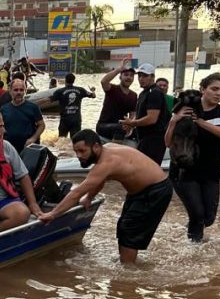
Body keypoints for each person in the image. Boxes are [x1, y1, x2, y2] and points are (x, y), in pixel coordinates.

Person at [38, 129, 172, 264]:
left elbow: (76, 193)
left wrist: (53, 214)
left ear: (96, 146)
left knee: (129, 230)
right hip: (140, 192)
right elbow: (99, 181)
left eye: (82, 151)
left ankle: (128, 271)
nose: (78, 155)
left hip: (155, 191)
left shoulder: (106, 163)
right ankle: (127, 262)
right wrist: (90, 197)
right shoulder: (106, 151)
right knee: (124, 228)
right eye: (76, 151)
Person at [165, 72, 220, 242]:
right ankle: (194, 252)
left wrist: (200, 122)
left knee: (209, 218)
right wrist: (173, 121)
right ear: (203, 89)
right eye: (214, 89)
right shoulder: (184, 109)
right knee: (197, 216)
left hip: (210, 172)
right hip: (183, 172)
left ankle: (189, 232)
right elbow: (168, 143)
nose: (218, 93)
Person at [0, 110, 44, 231]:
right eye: (0, 127)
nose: (4, 131)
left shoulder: (7, 147)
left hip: (4, 201)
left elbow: (23, 176)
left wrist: (33, 204)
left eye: (3, 126)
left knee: (23, 213)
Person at [120, 63, 170, 165]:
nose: (141, 79)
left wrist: (133, 123)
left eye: (145, 76)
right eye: (139, 76)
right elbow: (141, 115)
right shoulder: (144, 93)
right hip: (144, 138)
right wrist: (131, 124)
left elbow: (152, 118)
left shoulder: (154, 93)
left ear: (152, 77)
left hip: (154, 139)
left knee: (148, 170)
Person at [0, 78, 44, 152]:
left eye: (21, 90)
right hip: (10, 148)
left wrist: (33, 138)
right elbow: (0, 127)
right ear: (10, 91)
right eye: (16, 90)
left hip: (28, 148)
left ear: (25, 91)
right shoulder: (4, 109)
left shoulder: (33, 107)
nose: (19, 92)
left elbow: (41, 125)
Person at [97, 62, 138, 140]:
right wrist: (118, 70)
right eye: (126, 75)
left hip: (121, 125)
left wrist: (130, 125)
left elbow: (133, 114)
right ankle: (115, 150)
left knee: (139, 131)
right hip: (104, 125)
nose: (129, 77)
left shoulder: (134, 95)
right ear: (120, 77)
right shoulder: (112, 89)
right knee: (120, 128)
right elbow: (103, 82)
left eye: (131, 75)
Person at [53, 73, 96, 138]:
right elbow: (93, 96)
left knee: (61, 140)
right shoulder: (81, 90)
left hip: (65, 120)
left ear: (65, 80)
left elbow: (48, 100)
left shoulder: (60, 91)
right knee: (75, 140)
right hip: (76, 120)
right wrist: (93, 91)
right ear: (74, 80)